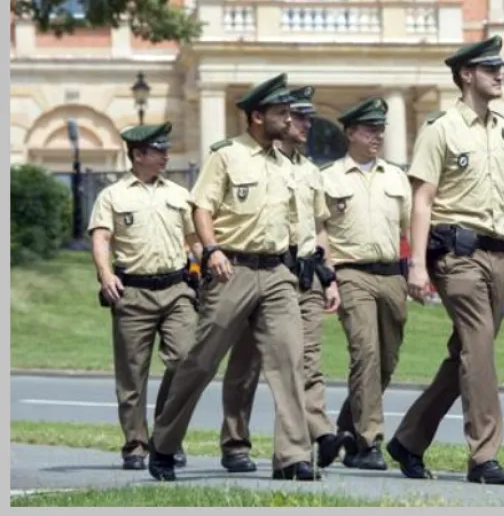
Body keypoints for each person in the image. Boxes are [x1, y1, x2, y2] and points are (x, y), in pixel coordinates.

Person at [147, 73, 316, 482]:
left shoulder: (284, 164)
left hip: (277, 271)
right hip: (232, 270)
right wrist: (212, 249)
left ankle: (293, 455)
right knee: (201, 361)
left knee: (289, 359)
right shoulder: (226, 156)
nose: (288, 119)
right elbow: (200, 208)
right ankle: (164, 443)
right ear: (257, 116)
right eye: (280, 113)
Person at [385, 35, 504, 485]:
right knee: (479, 351)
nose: (499, 74)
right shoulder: (440, 128)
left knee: (468, 354)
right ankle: (484, 456)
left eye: (500, 67)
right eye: (490, 68)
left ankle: (408, 439)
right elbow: (422, 199)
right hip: (457, 256)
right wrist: (418, 264)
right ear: (467, 75)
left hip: (497, 255)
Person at [216, 85, 347, 474]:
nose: (304, 123)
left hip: (302, 276)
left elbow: (320, 227)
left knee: (302, 362)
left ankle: (305, 443)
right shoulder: (255, 161)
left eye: (306, 117)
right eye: (298, 116)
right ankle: (235, 441)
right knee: (246, 365)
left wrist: (329, 276)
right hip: (261, 271)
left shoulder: (308, 171)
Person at [88, 122, 199, 471]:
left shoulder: (180, 194)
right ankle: (135, 445)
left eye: (166, 149)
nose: (167, 155)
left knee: (185, 362)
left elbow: (194, 239)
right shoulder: (112, 195)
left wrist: (207, 262)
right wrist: (106, 275)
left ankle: (165, 439)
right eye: (159, 150)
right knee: (132, 376)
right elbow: (102, 238)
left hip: (177, 290)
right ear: (138, 155)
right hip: (132, 292)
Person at [318, 97, 412, 470]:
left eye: (381, 129)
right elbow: (319, 231)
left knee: (386, 361)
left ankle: (348, 428)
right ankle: (369, 442)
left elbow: (409, 226)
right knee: (365, 355)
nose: (378, 135)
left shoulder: (396, 177)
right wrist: (329, 277)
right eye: (370, 129)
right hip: (351, 273)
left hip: (391, 275)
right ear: (351, 132)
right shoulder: (329, 178)